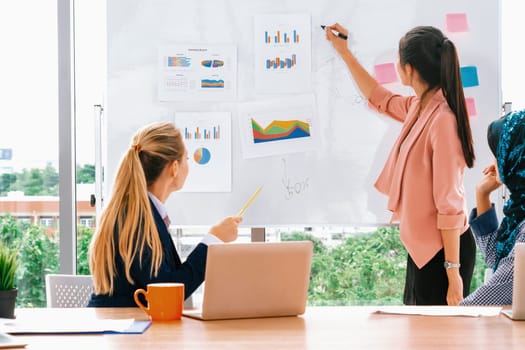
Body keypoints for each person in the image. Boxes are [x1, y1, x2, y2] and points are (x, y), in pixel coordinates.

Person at [325, 24, 476, 305]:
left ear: (410, 70)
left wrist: (453, 272)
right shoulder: (421, 107)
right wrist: (344, 53)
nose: (395, 64)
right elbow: (381, 98)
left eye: (398, 58)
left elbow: (449, 203)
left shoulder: (442, 119)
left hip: (444, 254)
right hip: (428, 251)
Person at [88, 122, 242, 307]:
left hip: (122, 324)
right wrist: (212, 241)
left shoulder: (141, 214)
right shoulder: (137, 219)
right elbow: (166, 290)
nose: (188, 166)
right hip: (121, 328)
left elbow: (166, 279)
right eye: (186, 159)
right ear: (174, 168)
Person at [461, 110, 525, 305]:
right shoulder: (519, 210)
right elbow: (497, 259)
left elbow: (483, 301)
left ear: (516, 157)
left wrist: (451, 317)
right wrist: (482, 194)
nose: (495, 163)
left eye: (499, 154)